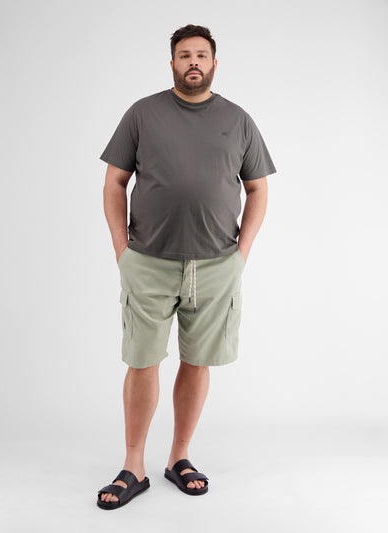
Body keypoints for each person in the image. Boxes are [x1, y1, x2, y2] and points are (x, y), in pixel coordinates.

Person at [96, 24, 277, 510]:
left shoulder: (238, 120)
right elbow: (114, 182)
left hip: (217, 264)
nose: (192, 61)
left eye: (201, 54)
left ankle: (179, 457)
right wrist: (121, 250)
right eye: (184, 55)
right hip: (148, 262)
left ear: (214, 63)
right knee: (142, 361)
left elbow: (258, 188)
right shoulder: (142, 113)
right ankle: (133, 465)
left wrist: (242, 253)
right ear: (172, 63)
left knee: (197, 361)